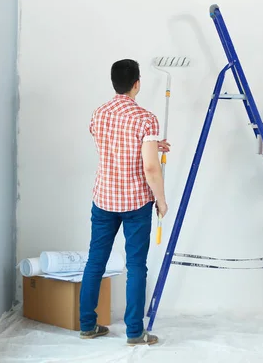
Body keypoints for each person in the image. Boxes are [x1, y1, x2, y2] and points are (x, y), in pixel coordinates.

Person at [79, 59, 170, 346]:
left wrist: (153, 145)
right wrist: (162, 200)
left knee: (96, 260)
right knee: (136, 266)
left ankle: (87, 325)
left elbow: (111, 146)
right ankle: (134, 332)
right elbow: (151, 169)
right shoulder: (146, 118)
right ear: (137, 83)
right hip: (135, 203)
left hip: (104, 198)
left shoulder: (99, 114)